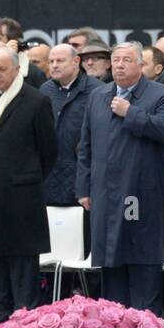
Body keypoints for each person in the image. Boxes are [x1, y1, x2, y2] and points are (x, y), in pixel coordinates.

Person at [77, 43, 164, 316]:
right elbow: (85, 146)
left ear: (141, 65)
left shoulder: (161, 94)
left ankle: (146, 325)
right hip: (105, 194)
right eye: (116, 60)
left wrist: (130, 112)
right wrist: (83, 188)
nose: (119, 65)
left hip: (142, 194)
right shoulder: (98, 96)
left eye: (127, 60)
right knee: (112, 260)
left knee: (142, 258)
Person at [0, 47, 57, 325]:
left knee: (22, 265)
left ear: (16, 69)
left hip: (23, 197)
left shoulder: (36, 101)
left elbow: (49, 152)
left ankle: (25, 324)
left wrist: (26, 176)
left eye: (2, 69)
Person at [41, 44, 100, 209]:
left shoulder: (97, 91)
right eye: (51, 61)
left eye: (59, 60)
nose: (54, 65)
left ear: (76, 62)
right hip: (48, 178)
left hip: (83, 180)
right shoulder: (45, 91)